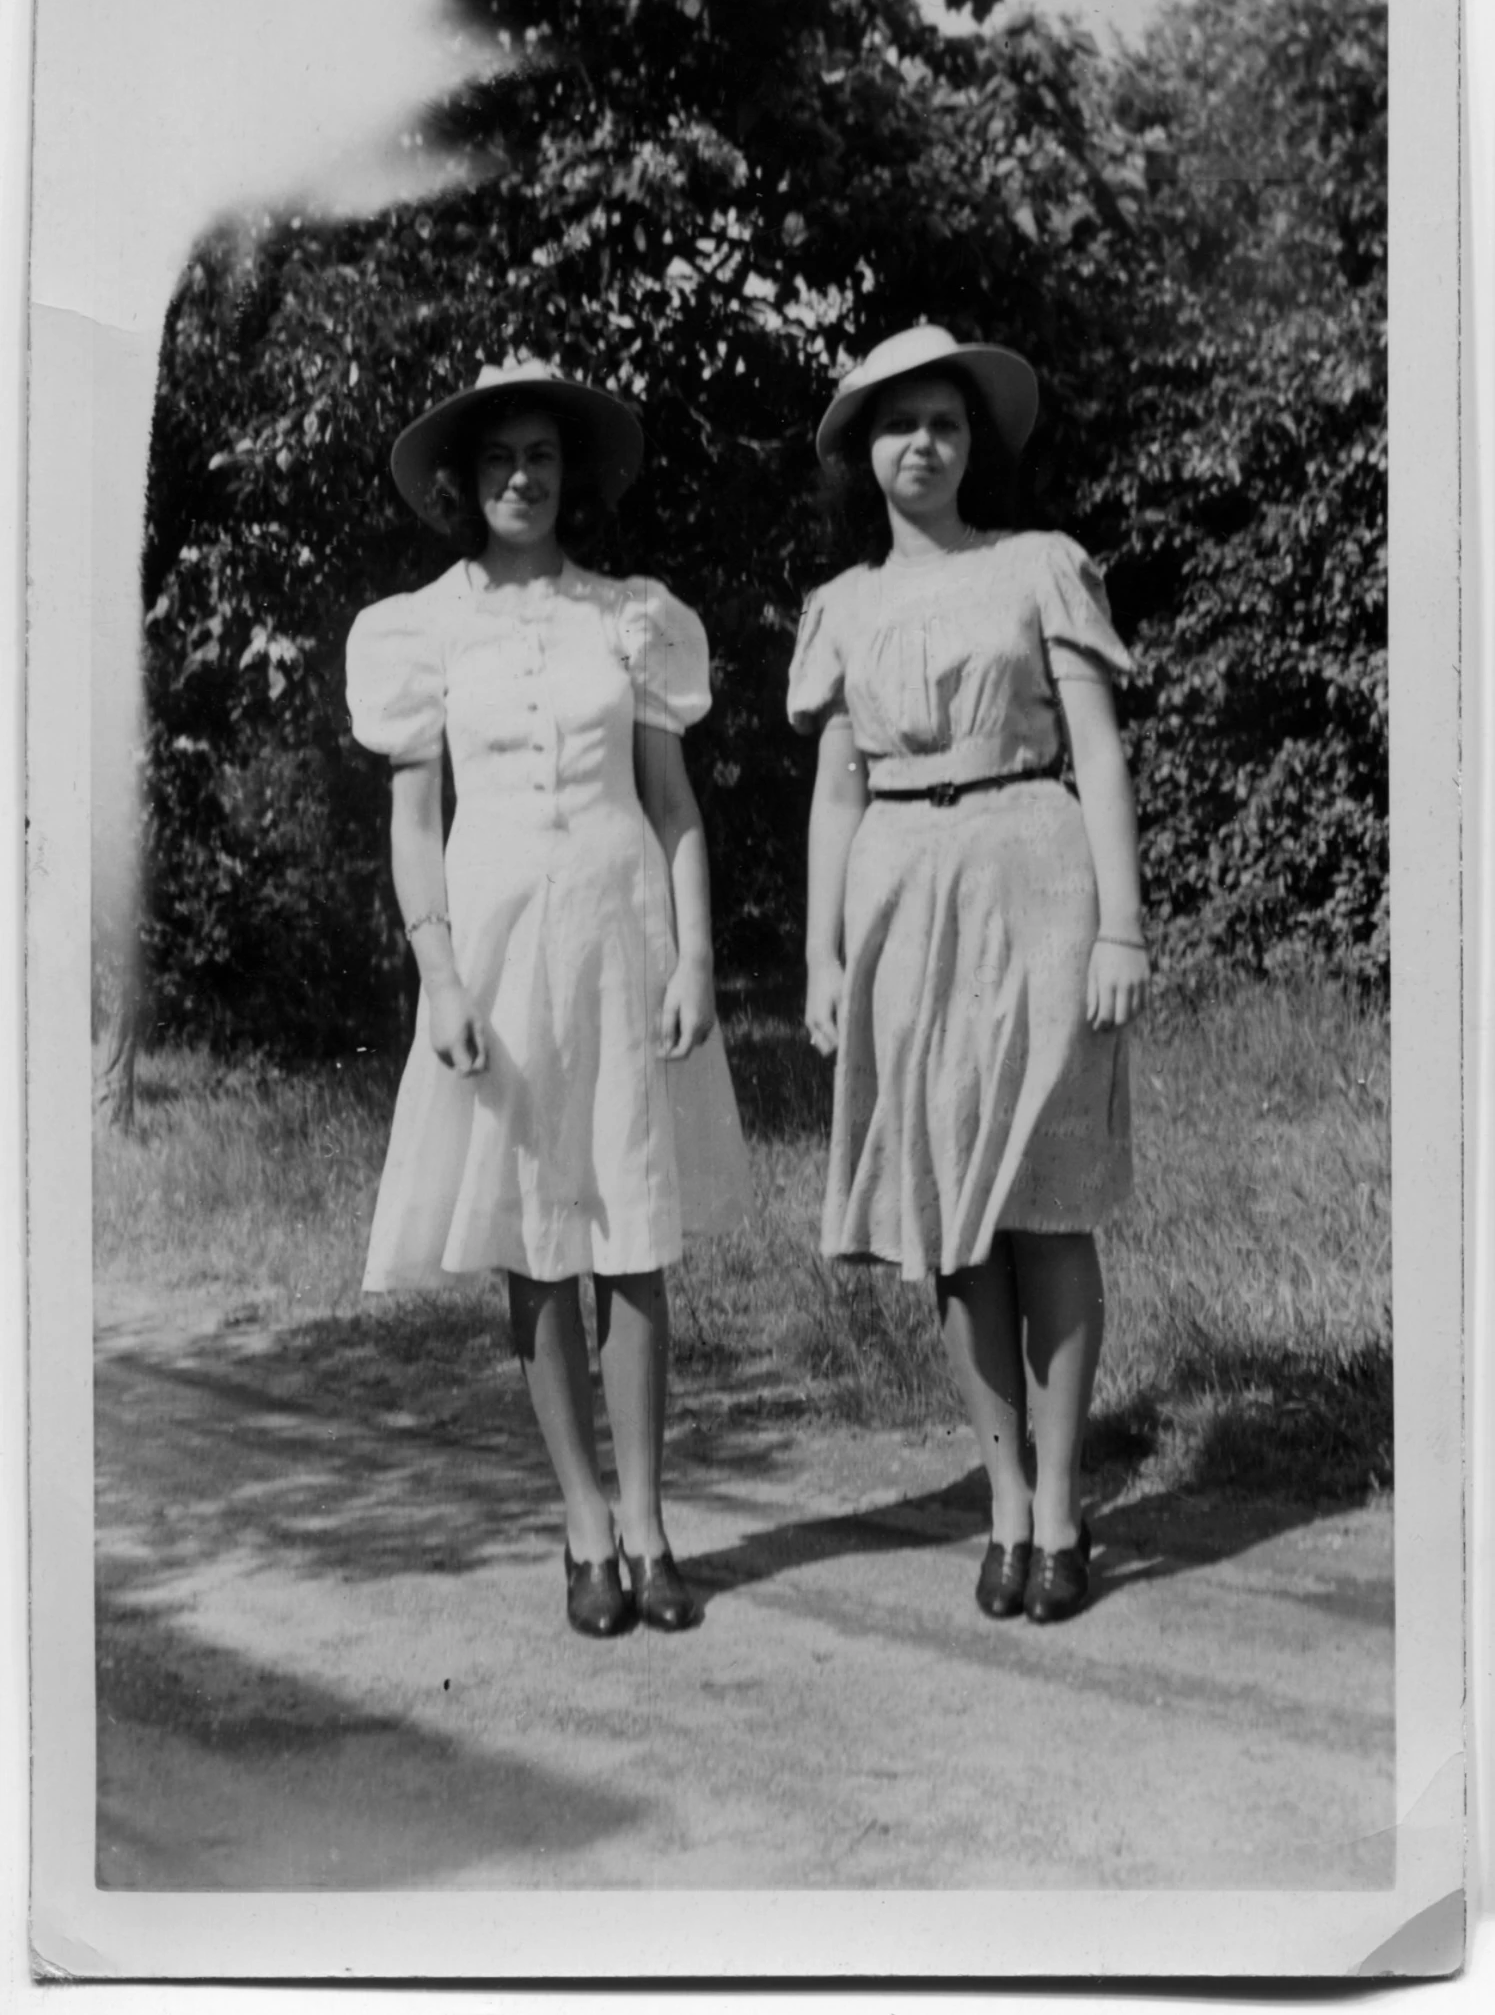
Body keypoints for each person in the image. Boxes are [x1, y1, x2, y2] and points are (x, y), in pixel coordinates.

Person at [347, 357, 752, 1639]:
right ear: (465, 484)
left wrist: (695, 958)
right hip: (499, 950)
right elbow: (418, 825)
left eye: (544, 456)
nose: (523, 476)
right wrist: (440, 975)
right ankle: (581, 1524)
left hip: (621, 930)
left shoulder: (628, 616)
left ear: (570, 475)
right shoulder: (421, 630)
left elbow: (675, 806)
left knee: (631, 1238)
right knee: (533, 1236)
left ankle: (647, 1520)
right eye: (499, 459)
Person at [788, 325, 1148, 1625]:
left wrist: (1120, 925)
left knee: (1043, 1201)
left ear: (969, 441)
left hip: (1032, 869)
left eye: (942, 422)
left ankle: (1058, 1504)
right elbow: (832, 792)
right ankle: (997, 1501)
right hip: (898, 883)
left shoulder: (1039, 567)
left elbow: (1097, 755)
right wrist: (824, 950)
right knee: (946, 1211)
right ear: (862, 452)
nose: (922, 444)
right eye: (897, 426)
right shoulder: (840, 609)